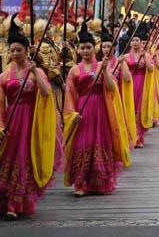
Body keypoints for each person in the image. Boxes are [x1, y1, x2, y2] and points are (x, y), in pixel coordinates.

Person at [0, 14, 59, 219]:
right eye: (12, 50)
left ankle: (20, 201)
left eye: (18, 50)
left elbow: (47, 94)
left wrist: (36, 73)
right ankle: (10, 203)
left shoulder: (36, 72)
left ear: (27, 51)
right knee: (11, 159)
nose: (14, 53)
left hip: (31, 121)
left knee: (26, 158)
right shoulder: (4, 76)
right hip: (12, 121)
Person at [63, 22, 130, 196]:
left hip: (101, 109)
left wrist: (106, 70)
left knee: (99, 142)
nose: (85, 51)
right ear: (78, 50)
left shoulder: (102, 65)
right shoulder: (74, 71)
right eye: (82, 48)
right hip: (82, 111)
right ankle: (80, 182)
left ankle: (99, 182)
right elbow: (69, 95)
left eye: (88, 47)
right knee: (82, 144)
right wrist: (72, 114)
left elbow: (111, 88)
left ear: (95, 48)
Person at [126, 26, 155, 148]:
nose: (135, 42)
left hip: (142, 84)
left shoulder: (146, 55)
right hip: (129, 85)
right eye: (132, 40)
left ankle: (139, 137)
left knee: (139, 109)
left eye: (137, 40)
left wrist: (145, 57)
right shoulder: (126, 56)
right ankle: (131, 137)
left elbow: (150, 69)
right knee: (130, 109)